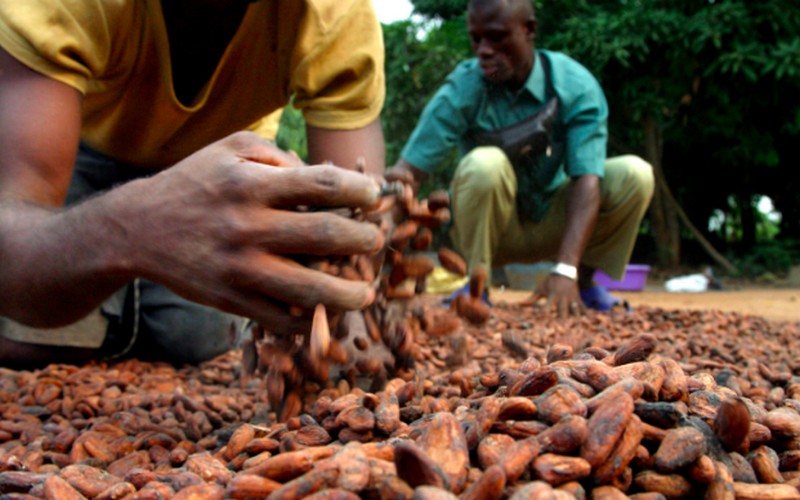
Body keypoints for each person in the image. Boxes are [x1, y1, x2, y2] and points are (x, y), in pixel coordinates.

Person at [0, 0, 387, 368]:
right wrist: (130, 229)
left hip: (225, 166)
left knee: (195, 338)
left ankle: (126, 309)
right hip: (79, 145)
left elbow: (357, 226)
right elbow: (10, 234)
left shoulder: (337, 14)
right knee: (30, 338)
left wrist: (346, 314)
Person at [389, 0, 654, 317]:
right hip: (493, 232)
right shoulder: (464, 86)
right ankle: (477, 287)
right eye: (477, 39)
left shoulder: (574, 85)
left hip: (558, 223)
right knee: (484, 163)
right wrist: (377, 239)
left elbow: (587, 181)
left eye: (497, 37)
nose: (484, 50)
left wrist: (566, 269)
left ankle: (581, 283)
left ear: (529, 29)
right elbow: (408, 173)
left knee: (635, 174)